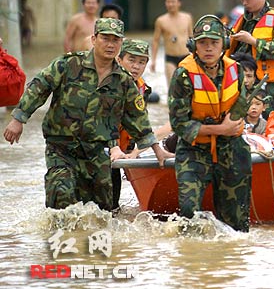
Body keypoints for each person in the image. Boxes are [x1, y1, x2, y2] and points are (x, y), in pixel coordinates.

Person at [3, 18, 167, 211]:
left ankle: (96, 242)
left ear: (121, 44)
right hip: (62, 147)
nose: (110, 44)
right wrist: (18, 119)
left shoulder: (123, 81)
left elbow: (137, 119)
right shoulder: (68, 64)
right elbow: (39, 87)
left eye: (116, 40)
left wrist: (157, 150)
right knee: (62, 197)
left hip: (97, 151)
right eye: (105, 38)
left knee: (101, 213)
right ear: (94, 39)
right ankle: (61, 241)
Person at [168, 15, 252, 232]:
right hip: (194, 149)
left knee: (237, 223)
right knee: (188, 212)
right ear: (193, 46)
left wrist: (231, 125)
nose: (208, 48)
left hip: (230, 148)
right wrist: (219, 128)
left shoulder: (236, 69)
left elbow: (241, 104)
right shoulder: (183, 75)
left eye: (214, 43)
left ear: (223, 45)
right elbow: (179, 124)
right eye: (203, 43)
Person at [109, 38, 175, 210]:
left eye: (142, 62)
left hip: (121, 152)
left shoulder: (141, 88)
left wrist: (137, 151)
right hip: (100, 153)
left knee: (112, 208)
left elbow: (140, 125)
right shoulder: (107, 84)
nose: (136, 67)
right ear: (119, 60)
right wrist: (113, 148)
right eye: (131, 60)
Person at [151, 0, 193, 89]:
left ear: (179, 3)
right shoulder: (161, 20)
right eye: (168, 2)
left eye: (173, 1)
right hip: (170, 58)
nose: (170, 4)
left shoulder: (187, 17)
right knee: (172, 86)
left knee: (187, 86)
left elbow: (192, 37)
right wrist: (153, 60)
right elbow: (156, 41)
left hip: (186, 56)